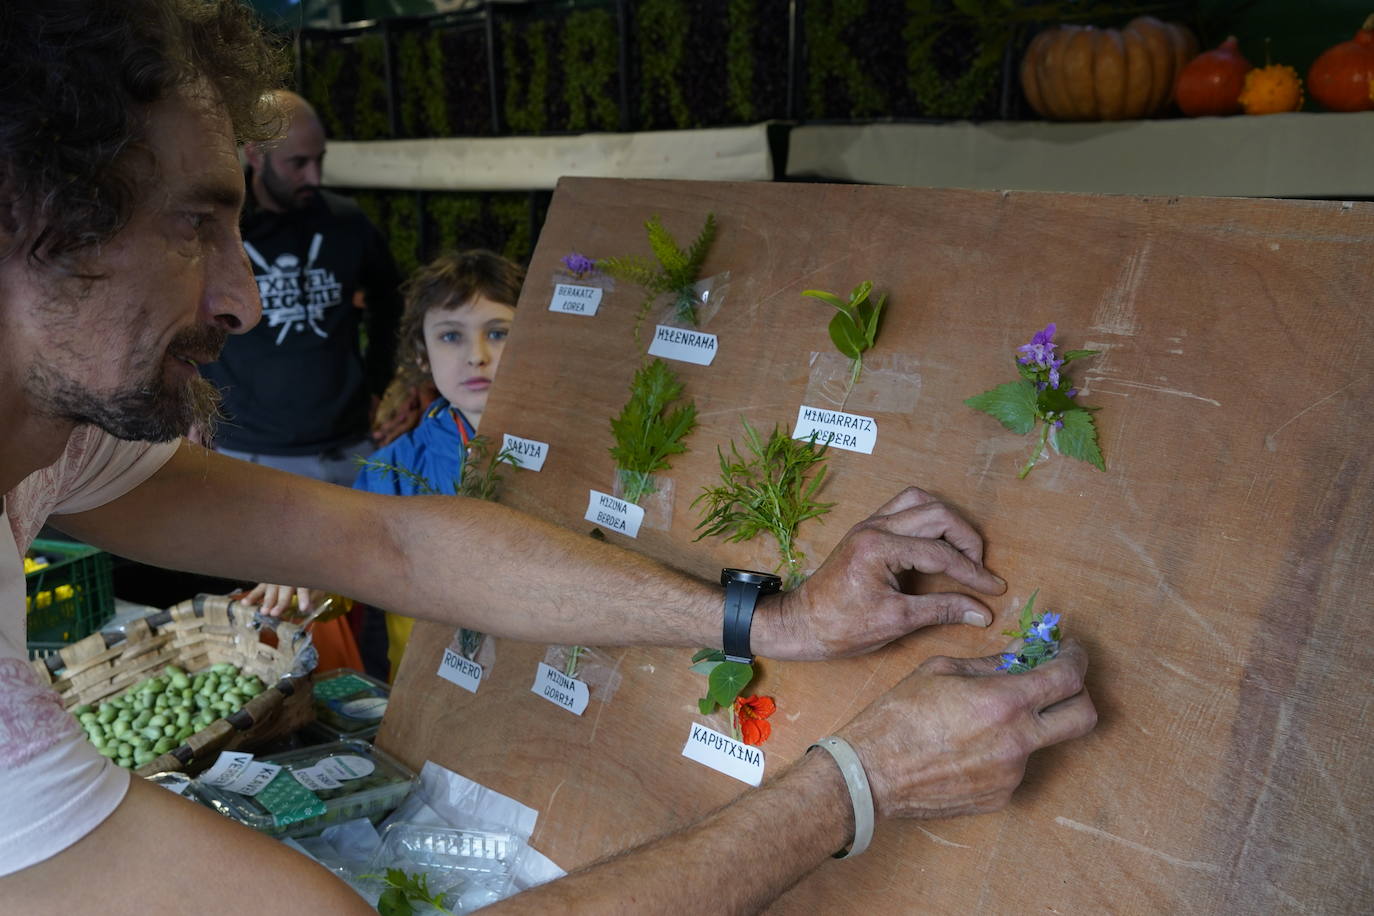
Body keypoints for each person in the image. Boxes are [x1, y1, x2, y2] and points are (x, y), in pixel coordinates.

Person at [0, 3, 1096, 913]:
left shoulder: (51, 438)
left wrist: (772, 619)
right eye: (190, 226)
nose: (242, 296)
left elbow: (387, 542)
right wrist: (860, 782)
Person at [248, 250, 524, 679]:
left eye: (499, 333)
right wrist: (303, 575)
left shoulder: (566, 458)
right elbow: (344, 571)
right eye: (451, 336)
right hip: (426, 683)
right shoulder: (392, 468)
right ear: (420, 353)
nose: (477, 355)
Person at [200, 88, 403, 485]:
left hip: (349, 446)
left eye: (319, 160)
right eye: (298, 163)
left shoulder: (346, 222)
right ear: (257, 155)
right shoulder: (218, 230)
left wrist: (380, 382)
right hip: (252, 452)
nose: (314, 176)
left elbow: (390, 301)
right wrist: (192, 400)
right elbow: (179, 316)